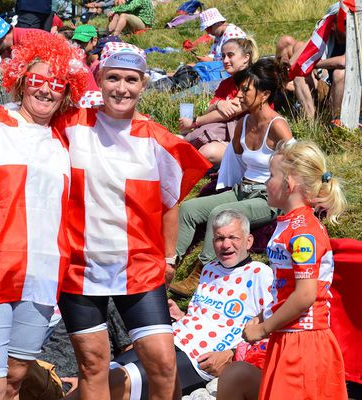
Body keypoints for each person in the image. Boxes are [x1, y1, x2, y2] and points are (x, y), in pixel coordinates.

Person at [53, 42, 211, 400]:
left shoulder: (159, 141)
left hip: (138, 265)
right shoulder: (70, 125)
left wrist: (170, 257)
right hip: (79, 265)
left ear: (143, 84)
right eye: (112, 78)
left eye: (131, 79)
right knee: (93, 366)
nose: (121, 88)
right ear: (99, 79)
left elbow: (171, 203)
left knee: (163, 363)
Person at [0, 31, 88, 400]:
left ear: (67, 92)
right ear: (21, 81)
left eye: (57, 83)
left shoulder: (66, 140)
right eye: (38, 79)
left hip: (41, 274)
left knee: (14, 380)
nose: (46, 90)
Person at [64, 209, 274, 399]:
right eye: (219, 238)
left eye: (233, 238)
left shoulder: (260, 274)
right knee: (97, 374)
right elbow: (213, 315)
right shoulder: (210, 269)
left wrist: (232, 352)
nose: (225, 244)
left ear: (248, 241)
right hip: (175, 338)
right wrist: (182, 315)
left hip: (198, 359)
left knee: (116, 382)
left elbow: (272, 327)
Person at [169, 57, 293, 297]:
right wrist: (223, 187)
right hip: (243, 190)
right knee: (189, 209)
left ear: (264, 94)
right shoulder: (246, 121)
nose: (239, 95)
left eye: (246, 90)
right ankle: (169, 265)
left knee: (219, 214)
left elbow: (298, 161)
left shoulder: (278, 125)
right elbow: (233, 158)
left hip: (267, 198)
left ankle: (203, 271)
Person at [242, 140, 348, 399]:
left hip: (304, 341)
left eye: (270, 176)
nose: (265, 183)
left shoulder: (303, 231)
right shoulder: (290, 224)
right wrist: (265, 316)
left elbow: (304, 295)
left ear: (288, 184)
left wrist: (264, 329)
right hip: (289, 334)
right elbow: (286, 287)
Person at [179, 36, 258, 166]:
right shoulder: (226, 83)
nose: (225, 60)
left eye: (230, 55)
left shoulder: (253, 80)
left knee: (206, 152)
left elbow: (230, 112)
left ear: (246, 58)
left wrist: (194, 122)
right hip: (229, 136)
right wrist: (219, 104)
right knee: (187, 144)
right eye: (223, 56)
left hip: (251, 139)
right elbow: (209, 110)